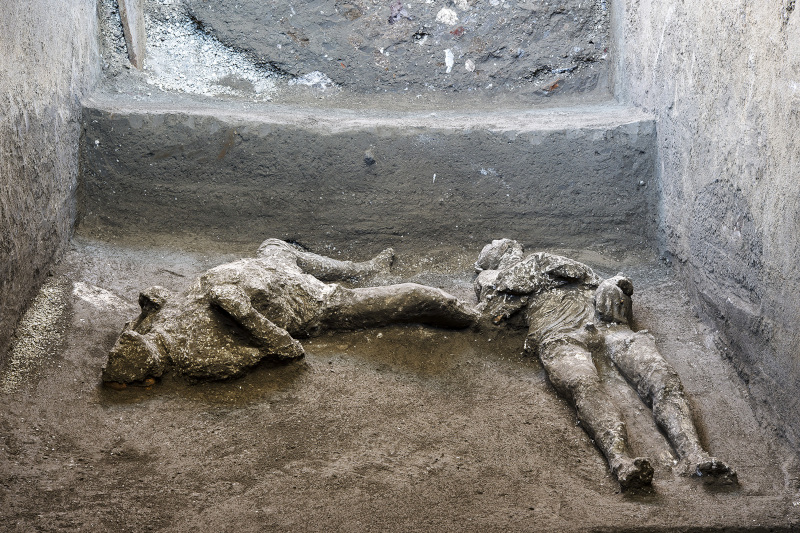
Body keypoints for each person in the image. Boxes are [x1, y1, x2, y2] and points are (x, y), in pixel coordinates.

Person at [474, 239, 736, 490]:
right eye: (495, 247)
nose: (504, 244)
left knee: (662, 377)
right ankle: (621, 460)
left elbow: (608, 283)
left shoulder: (553, 263)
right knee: (583, 385)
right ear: (487, 263)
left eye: (506, 244)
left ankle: (694, 454)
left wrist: (616, 285)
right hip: (558, 335)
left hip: (608, 325)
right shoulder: (492, 280)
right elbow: (487, 317)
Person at [103, 239, 478, 384]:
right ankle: (480, 317)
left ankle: (363, 269)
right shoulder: (197, 359)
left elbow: (153, 300)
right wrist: (243, 313)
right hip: (309, 304)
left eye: (138, 336)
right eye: (144, 344)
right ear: (154, 365)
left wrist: (150, 308)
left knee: (277, 244)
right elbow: (288, 350)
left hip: (267, 269)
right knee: (415, 296)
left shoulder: (153, 325)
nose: (143, 336)